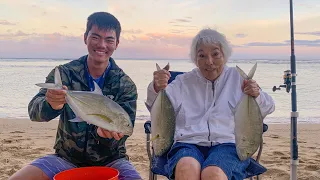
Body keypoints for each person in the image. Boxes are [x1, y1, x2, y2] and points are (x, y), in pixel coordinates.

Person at [9, 12, 142, 180]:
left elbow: (123, 133)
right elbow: (34, 112)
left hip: (112, 161)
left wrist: (105, 136)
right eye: (95, 37)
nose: (102, 45)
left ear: (117, 43)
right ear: (85, 37)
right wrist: (51, 104)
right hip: (65, 158)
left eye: (109, 40)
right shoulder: (64, 73)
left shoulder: (125, 85)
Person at [145, 28, 275, 180]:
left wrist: (257, 95)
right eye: (202, 55)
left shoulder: (238, 78)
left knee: (213, 174)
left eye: (215, 54)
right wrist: (155, 87)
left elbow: (268, 107)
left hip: (228, 144)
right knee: (187, 170)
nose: (209, 62)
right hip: (187, 142)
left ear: (224, 55)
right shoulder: (182, 81)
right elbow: (155, 108)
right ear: (195, 58)